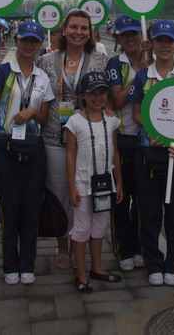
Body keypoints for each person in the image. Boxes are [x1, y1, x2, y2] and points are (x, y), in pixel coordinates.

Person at [129, 20, 174, 287]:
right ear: (152, 43)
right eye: (160, 40)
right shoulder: (143, 77)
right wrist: (153, 129)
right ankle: (153, 263)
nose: (165, 46)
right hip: (148, 155)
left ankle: (173, 263)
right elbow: (136, 113)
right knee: (148, 213)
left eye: (169, 41)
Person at [0, 21, 54, 285]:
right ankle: (10, 264)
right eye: (24, 40)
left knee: (31, 208)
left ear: (40, 45)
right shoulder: (3, 71)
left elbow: (45, 118)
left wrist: (33, 111)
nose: (29, 45)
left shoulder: (42, 77)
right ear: (16, 41)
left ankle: (27, 264)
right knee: (9, 207)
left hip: (33, 149)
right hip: (5, 148)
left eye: (34, 41)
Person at [39, 9, 108, 269]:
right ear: (64, 29)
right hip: (54, 137)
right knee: (59, 193)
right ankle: (62, 244)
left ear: (90, 32)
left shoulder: (100, 60)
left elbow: (107, 94)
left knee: (84, 193)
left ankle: (82, 241)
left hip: (88, 138)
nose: (78, 32)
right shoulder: (46, 61)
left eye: (84, 28)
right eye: (74, 27)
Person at [66, 72, 123, 293]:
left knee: (99, 227)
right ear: (83, 95)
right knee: (81, 229)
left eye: (102, 93)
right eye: (92, 93)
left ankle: (97, 267)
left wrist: (119, 183)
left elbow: (115, 152)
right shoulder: (75, 122)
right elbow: (70, 155)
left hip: (105, 184)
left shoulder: (112, 120)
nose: (98, 98)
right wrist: (71, 186)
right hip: (83, 184)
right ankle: (80, 271)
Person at [106, 15, 151, 271]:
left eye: (134, 33)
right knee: (121, 198)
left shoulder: (154, 60)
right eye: (125, 34)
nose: (131, 38)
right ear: (118, 38)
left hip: (149, 140)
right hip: (122, 139)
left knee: (144, 199)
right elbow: (119, 100)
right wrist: (141, 73)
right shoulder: (115, 63)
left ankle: (140, 248)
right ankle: (124, 248)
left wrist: (148, 65)